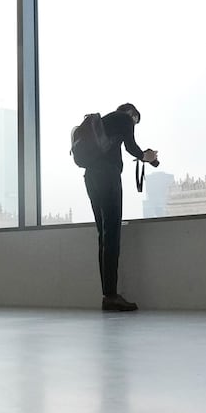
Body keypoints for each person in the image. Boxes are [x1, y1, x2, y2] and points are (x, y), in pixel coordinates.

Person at [78, 103, 158, 312]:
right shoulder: (123, 119)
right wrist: (146, 157)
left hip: (91, 176)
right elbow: (132, 146)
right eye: (136, 121)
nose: (134, 124)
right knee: (112, 232)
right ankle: (112, 296)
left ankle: (107, 295)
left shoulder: (104, 124)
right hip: (107, 175)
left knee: (103, 235)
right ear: (131, 114)